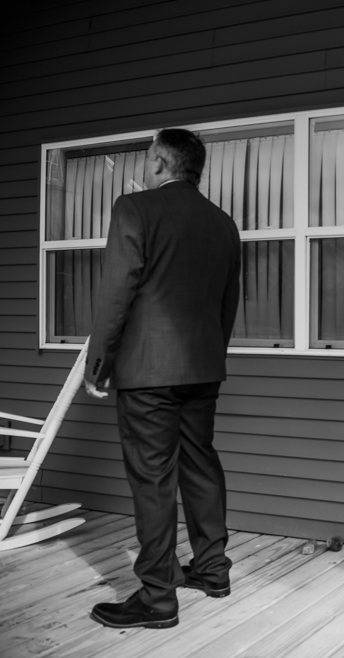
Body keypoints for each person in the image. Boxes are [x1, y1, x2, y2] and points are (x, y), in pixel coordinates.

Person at [84, 128, 241, 628]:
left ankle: (156, 597)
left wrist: (99, 364)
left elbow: (116, 291)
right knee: (200, 463)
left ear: (158, 162)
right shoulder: (223, 223)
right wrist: (212, 354)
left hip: (148, 371)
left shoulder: (135, 208)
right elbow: (228, 302)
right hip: (203, 367)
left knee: (153, 477)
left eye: (147, 157)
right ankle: (212, 570)